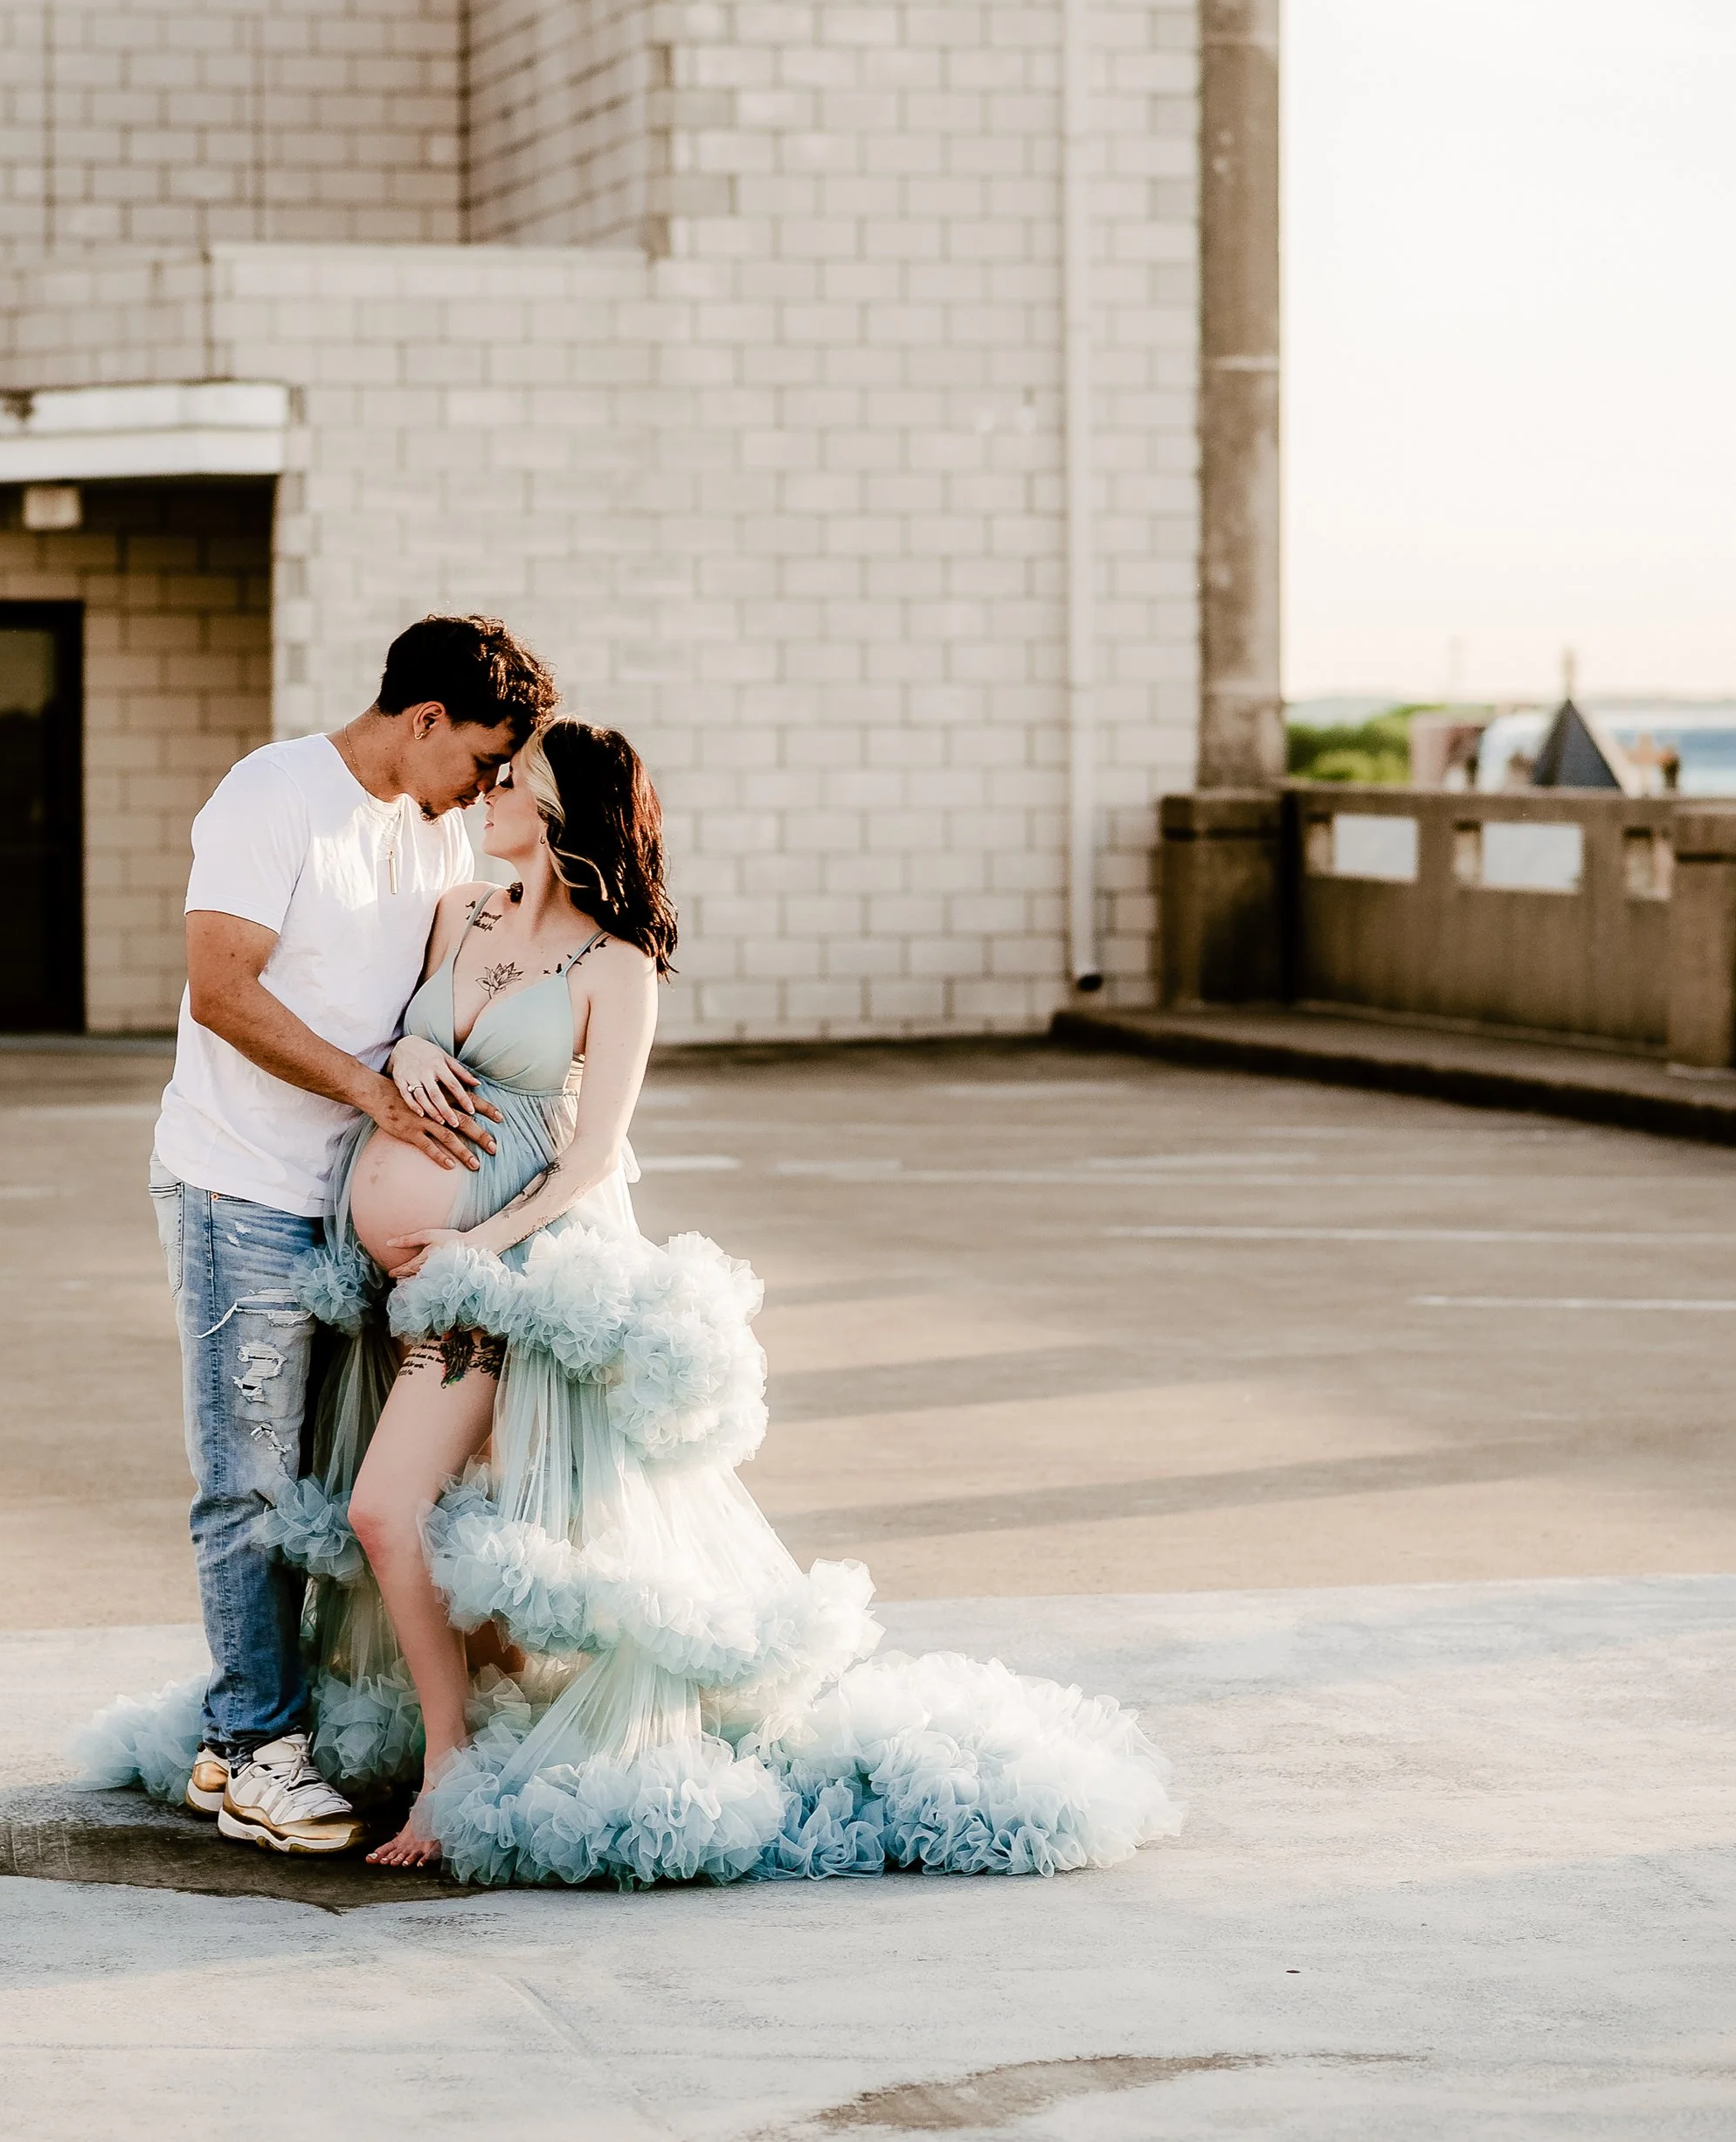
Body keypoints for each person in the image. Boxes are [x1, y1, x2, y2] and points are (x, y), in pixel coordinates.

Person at [82, 717, 1179, 1889]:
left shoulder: (614, 968)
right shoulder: (462, 913)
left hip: (512, 1282)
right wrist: (401, 1061)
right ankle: (488, 1732)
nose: (488, 794)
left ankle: (455, 1767)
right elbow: (391, 1035)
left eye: (514, 782)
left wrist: (480, 1254)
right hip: (400, 1284)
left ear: (563, 817)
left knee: (388, 1512)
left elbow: (595, 1154)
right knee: (480, 1528)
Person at [139, 613, 557, 1857]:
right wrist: (375, 1090)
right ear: (425, 720)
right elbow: (222, 990)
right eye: (481, 759)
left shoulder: (429, 832)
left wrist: (425, 1047)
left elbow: (449, 977)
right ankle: (261, 1748)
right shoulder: (275, 795)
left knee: (331, 1486)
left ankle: (248, 1739)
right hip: (243, 1191)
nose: (484, 790)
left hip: (350, 1219)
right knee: (251, 1479)